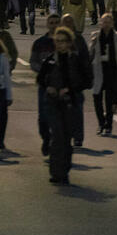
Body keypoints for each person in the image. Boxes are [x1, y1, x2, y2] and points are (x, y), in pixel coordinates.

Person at [38, 27, 86, 184]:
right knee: (57, 136)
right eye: (57, 41)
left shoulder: (75, 60)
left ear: (69, 43)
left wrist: (70, 89)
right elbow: (41, 78)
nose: (59, 45)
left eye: (62, 41)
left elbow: (86, 80)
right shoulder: (50, 60)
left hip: (70, 103)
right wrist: (49, 87)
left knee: (66, 138)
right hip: (52, 103)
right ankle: (55, 172)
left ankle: (64, 170)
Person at [29, 14, 60, 156]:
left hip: (60, 85)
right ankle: (46, 137)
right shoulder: (40, 42)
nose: (54, 25)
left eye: (56, 22)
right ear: (48, 24)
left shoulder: (64, 42)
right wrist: (43, 70)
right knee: (43, 116)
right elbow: (33, 61)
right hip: (44, 84)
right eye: (51, 22)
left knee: (58, 116)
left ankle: (56, 141)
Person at [90, 13, 117, 136]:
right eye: (104, 21)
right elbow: (90, 55)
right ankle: (101, 123)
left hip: (112, 71)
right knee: (97, 98)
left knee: (109, 101)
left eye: (108, 21)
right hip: (99, 70)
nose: (106, 24)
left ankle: (108, 125)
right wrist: (92, 45)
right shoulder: (95, 36)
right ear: (100, 23)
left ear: (112, 23)